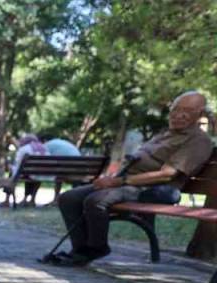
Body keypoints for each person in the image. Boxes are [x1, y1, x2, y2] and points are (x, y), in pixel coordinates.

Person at [47, 91, 213, 266]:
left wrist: (119, 182)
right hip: (128, 182)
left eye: (186, 111)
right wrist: (113, 177)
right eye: (175, 110)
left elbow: (167, 174)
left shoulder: (198, 141)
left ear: (200, 115)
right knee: (69, 198)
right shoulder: (166, 133)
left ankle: (96, 248)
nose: (178, 115)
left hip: (156, 188)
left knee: (96, 200)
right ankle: (80, 250)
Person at [11, 134, 49, 206]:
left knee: (19, 173)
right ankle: (32, 200)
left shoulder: (24, 148)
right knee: (35, 175)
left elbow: (18, 163)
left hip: (26, 174)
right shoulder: (44, 148)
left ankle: (7, 200)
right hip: (42, 174)